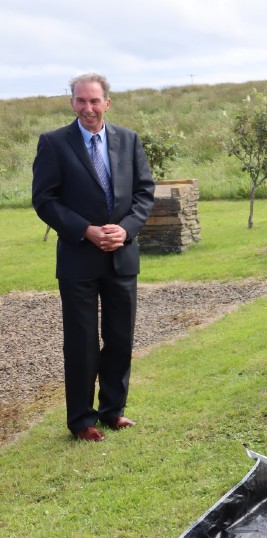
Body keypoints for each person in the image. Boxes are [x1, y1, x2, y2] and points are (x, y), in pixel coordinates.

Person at [32, 73, 155, 442]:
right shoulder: (53, 143)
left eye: (94, 101)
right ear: (71, 103)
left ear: (107, 103)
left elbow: (144, 193)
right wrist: (86, 230)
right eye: (81, 101)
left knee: (120, 338)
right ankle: (82, 420)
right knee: (82, 342)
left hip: (122, 257)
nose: (88, 108)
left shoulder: (129, 140)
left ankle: (113, 410)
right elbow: (44, 199)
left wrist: (128, 228)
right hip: (78, 259)